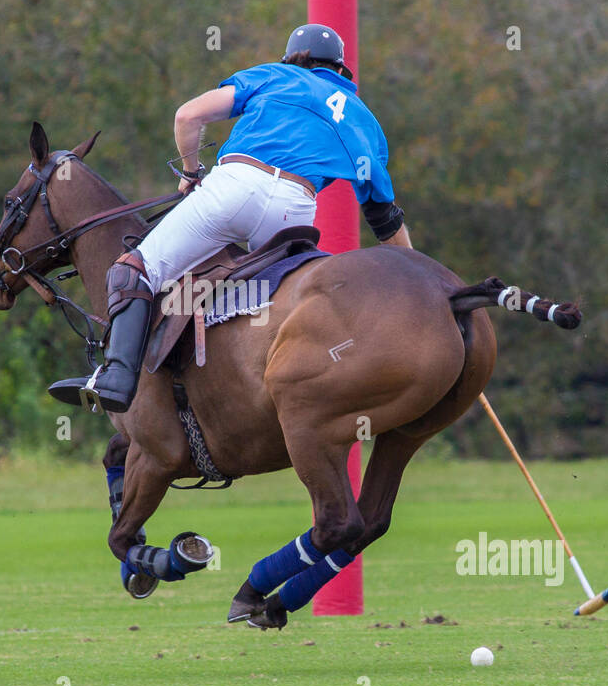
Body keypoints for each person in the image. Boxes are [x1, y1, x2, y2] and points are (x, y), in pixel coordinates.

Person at [49, 23, 410, 413]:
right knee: (271, 303)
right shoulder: (364, 121)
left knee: (134, 269)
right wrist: (413, 274)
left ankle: (117, 380)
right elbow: (384, 217)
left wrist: (190, 172)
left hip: (236, 187)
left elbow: (187, 117)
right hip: (296, 207)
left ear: (294, 60)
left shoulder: (274, 75)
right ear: (341, 72)